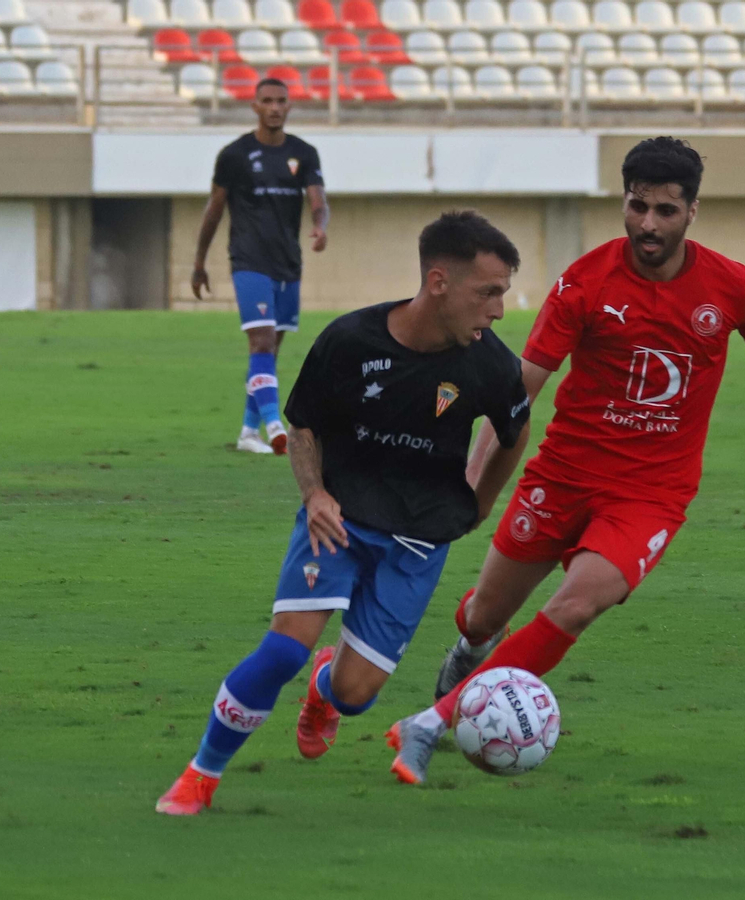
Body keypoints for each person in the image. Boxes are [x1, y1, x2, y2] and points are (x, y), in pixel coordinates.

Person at [383, 137, 745, 785]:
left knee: (577, 605)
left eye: (666, 211)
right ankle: (473, 651)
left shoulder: (734, 288)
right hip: (562, 477)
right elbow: (517, 395)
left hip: (651, 495)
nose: (648, 223)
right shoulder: (584, 283)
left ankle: (432, 720)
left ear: (692, 212)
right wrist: (470, 482)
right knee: (484, 616)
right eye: (637, 206)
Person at [155, 211, 533, 815]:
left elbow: (514, 430)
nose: (499, 310)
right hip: (340, 519)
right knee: (282, 651)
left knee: (355, 697)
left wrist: (477, 505)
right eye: (488, 292)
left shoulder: (490, 365)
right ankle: (202, 773)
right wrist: (315, 495)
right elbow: (302, 426)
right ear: (439, 283)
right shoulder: (352, 341)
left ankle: (326, 687)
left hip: (418, 539)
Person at [192, 77, 329, 456]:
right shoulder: (235, 155)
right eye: (266, 100)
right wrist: (199, 261)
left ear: (289, 106)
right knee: (262, 341)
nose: (274, 107)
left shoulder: (304, 153)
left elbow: (318, 199)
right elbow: (214, 210)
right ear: (254, 106)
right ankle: (274, 429)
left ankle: (248, 433)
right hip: (249, 262)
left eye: (280, 101)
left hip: (289, 264)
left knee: (268, 353)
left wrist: (320, 226)